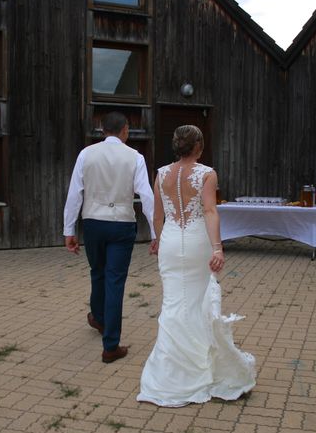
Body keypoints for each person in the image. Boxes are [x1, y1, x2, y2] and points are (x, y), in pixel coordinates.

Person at [137, 125, 256, 407]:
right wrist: (217, 246)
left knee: (173, 302)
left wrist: (156, 239)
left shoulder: (162, 174)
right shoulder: (206, 174)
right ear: (199, 147)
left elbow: (157, 215)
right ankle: (196, 368)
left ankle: (169, 374)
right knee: (196, 302)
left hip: (170, 241)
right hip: (195, 242)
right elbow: (210, 210)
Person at [63, 112, 156, 364]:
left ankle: (99, 318)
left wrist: (68, 230)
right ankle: (110, 344)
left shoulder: (86, 154)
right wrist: (156, 233)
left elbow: (75, 194)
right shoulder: (135, 157)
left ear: (102, 129)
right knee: (115, 280)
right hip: (121, 224)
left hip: (93, 222)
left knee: (97, 272)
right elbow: (146, 196)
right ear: (125, 130)